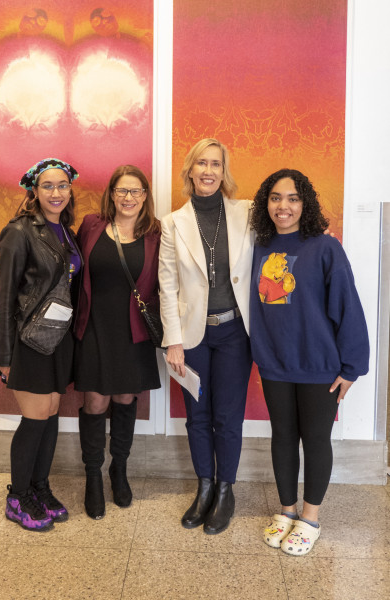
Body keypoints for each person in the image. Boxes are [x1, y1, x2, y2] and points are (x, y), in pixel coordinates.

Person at [250, 168, 369, 555]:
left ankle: (310, 517)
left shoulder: (324, 247)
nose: (283, 206)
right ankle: (286, 511)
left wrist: (351, 367)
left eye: (293, 198)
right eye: (275, 198)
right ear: (265, 203)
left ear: (305, 204)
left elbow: (347, 306)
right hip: (274, 363)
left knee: (315, 440)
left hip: (319, 365)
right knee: (283, 437)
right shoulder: (257, 247)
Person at [159, 138, 254, 535]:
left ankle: (226, 490)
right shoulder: (172, 222)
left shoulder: (247, 212)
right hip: (193, 335)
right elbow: (167, 286)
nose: (209, 171)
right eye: (202, 163)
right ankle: (204, 487)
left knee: (228, 416)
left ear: (224, 171)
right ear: (190, 169)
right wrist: (173, 340)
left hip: (235, 333)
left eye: (216, 164)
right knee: (197, 417)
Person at [0, 158, 82, 531]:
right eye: (47, 186)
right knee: (35, 416)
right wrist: (5, 356)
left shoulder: (67, 232)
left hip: (59, 339)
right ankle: (17, 494)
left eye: (62, 186)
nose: (56, 193)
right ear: (34, 191)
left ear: (70, 190)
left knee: (52, 411)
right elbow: (5, 297)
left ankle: (39, 487)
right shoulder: (19, 232)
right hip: (26, 341)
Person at [74, 165, 161, 519]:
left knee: (126, 399)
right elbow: (73, 273)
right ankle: (92, 475)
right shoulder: (92, 225)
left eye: (136, 192)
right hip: (94, 327)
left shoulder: (155, 233)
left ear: (145, 196)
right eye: (122, 191)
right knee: (95, 402)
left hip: (133, 331)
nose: (129, 198)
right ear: (111, 193)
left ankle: (118, 469)